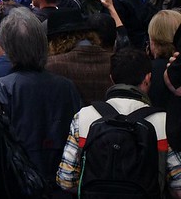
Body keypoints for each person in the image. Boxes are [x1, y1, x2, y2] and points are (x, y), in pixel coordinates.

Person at [56, 48, 181, 198]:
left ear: (112, 78)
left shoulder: (82, 117)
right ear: (148, 78)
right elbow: (178, 186)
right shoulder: (164, 122)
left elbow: (65, 180)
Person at [0, 7, 82, 185]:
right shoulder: (66, 87)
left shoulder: (0, 89)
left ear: (6, 47)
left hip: (17, 185)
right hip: (58, 183)